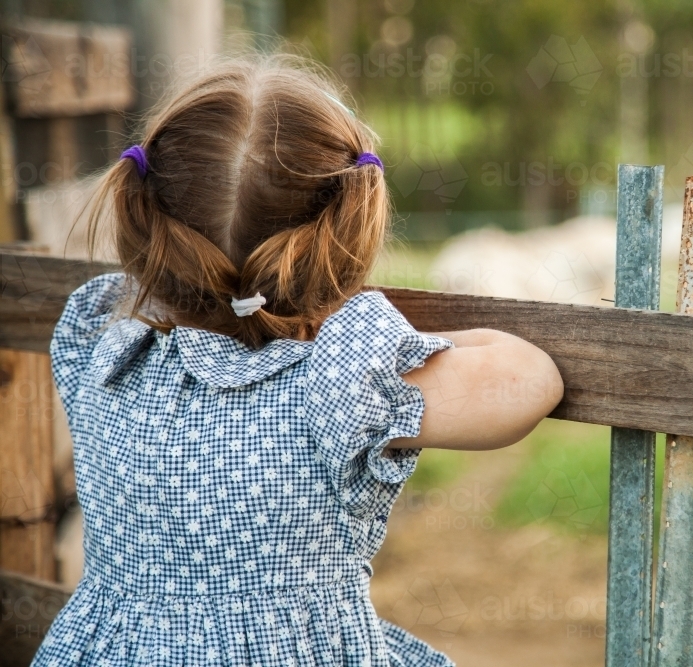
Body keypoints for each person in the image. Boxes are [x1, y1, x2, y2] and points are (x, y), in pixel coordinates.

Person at [33, 55, 563, 667]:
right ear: (349, 236)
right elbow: (531, 378)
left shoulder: (104, 354)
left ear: (143, 216)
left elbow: (148, 299)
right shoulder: (338, 388)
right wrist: (370, 336)